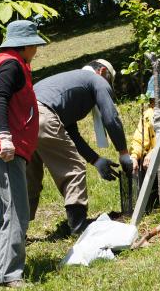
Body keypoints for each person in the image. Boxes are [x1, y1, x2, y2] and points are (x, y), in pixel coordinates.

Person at [0, 20, 46, 289]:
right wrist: (5, 137)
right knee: (17, 211)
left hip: (0, 147)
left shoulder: (11, 63)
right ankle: (10, 276)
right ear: (25, 44)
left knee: (6, 214)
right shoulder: (11, 64)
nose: (37, 50)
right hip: (4, 149)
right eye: (35, 45)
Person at [27, 59, 132, 234]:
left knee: (29, 179)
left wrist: (96, 160)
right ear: (103, 72)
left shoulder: (73, 84)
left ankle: (17, 232)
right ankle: (78, 225)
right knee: (73, 170)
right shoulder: (96, 80)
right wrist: (123, 153)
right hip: (43, 115)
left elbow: (70, 133)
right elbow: (111, 117)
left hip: (22, 119)